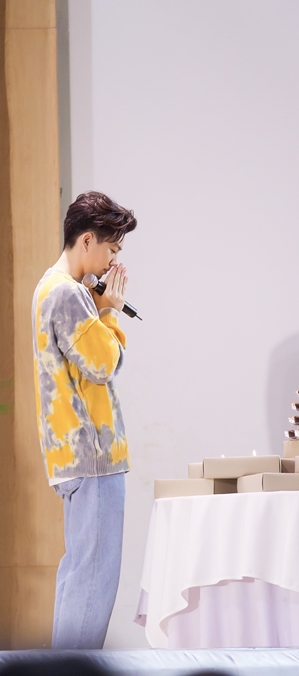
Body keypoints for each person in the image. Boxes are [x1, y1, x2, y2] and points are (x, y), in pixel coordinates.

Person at [32, 191, 137, 649]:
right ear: (88, 240)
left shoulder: (51, 287)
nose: (113, 262)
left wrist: (100, 306)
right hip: (93, 455)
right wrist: (109, 311)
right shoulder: (68, 293)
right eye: (111, 249)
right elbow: (104, 363)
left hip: (75, 455)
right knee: (92, 582)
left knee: (79, 576)